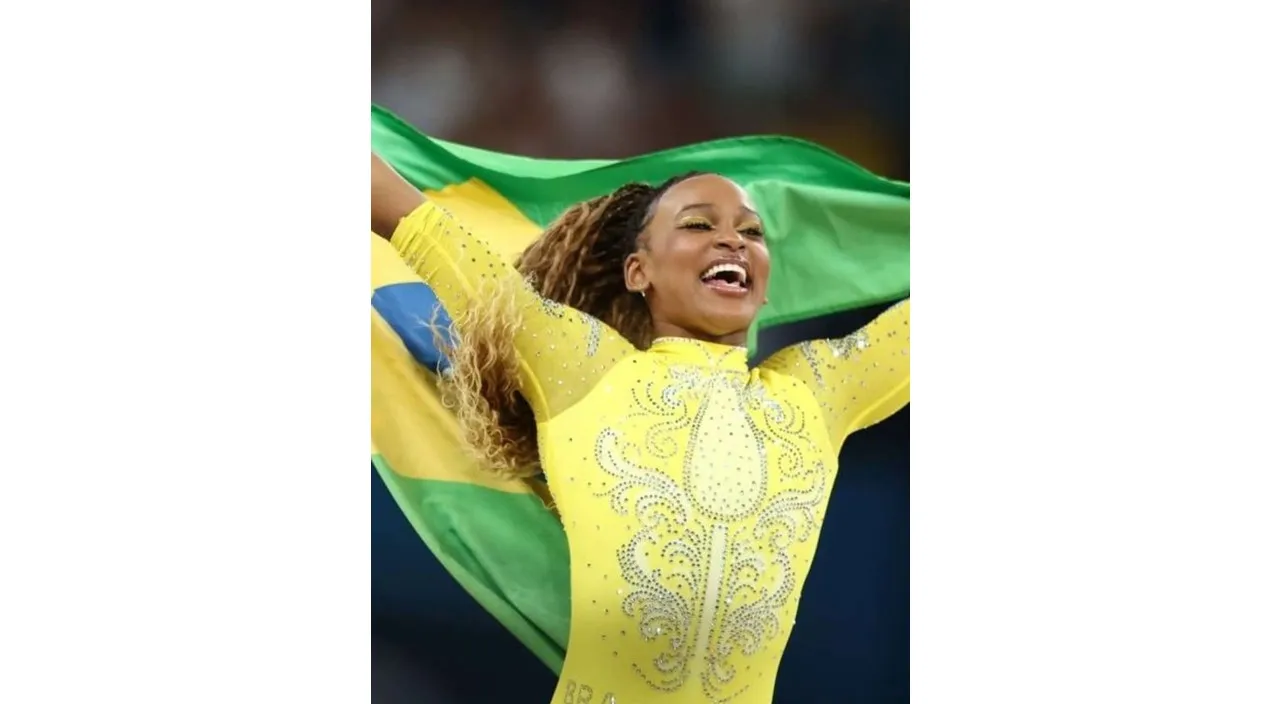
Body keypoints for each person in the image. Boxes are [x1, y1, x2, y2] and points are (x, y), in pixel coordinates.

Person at [371, 152, 910, 704]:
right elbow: (416, 223)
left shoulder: (815, 392)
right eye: (699, 224)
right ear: (639, 272)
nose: (734, 241)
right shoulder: (580, 368)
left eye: (752, 232)